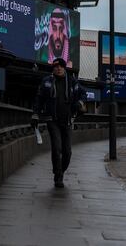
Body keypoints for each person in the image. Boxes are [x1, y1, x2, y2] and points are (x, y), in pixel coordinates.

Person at [31, 57, 85, 188]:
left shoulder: (72, 81)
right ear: (53, 69)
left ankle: (60, 171)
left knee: (67, 152)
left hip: (67, 121)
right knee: (57, 148)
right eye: (56, 67)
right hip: (52, 120)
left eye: (61, 66)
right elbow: (39, 99)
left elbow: (83, 93)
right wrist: (35, 114)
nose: (58, 68)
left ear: (64, 67)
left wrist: (79, 103)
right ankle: (58, 176)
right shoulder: (46, 82)